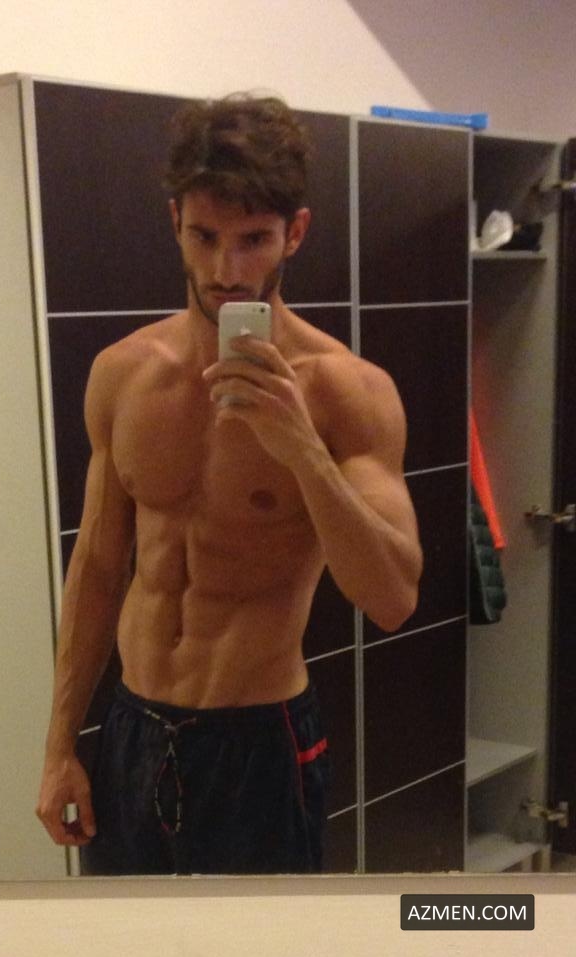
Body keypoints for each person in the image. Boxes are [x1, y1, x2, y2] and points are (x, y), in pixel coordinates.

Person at [36, 93, 423, 875]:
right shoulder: (122, 374)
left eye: (253, 240)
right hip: (133, 730)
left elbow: (392, 599)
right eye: (205, 237)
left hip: (259, 744)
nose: (227, 271)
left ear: (294, 233)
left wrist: (303, 452)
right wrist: (58, 748)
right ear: (175, 221)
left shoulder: (348, 391)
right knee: (126, 937)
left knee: (258, 940)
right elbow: (100, 567)